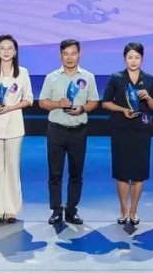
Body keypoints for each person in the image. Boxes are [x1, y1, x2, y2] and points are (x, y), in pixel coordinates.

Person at [38, 38, 99, 225]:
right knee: (55, 173)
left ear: (80, 54)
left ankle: (72, 210)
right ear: (60, 55)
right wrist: (58, 104)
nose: (70, 57)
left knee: (76, 173)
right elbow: (42, 102)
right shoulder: (51, 77)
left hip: (78, 131)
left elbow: (94, 102)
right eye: (66, 54)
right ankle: (56, 210)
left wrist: (82, 108)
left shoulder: (88, 77)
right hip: (56, 130)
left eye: (73, 53)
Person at [101, 41, 153, 226]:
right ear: (124, 58)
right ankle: (123, 209)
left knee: (139, 173)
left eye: (137, 57)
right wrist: (122, 109)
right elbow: (105, 102)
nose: (133, 61)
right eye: (130, 57)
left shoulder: (149, 79)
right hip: (121, 129)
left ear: (142, 59)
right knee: (122, 172)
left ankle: (134, 209)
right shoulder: (116, 78)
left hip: (141, 130)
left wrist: (148, 97)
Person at [0, 34, 33, 223]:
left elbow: (29, 98)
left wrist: (12, 107)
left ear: (15, 52)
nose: (6, 51)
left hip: (14, 123)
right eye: (2, 48)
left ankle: (11, 210)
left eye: (10, 48)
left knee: (12, 167)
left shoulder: (22, 73)